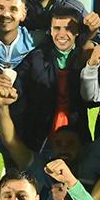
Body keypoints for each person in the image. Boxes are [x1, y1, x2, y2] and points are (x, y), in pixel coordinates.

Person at [11, 8, 92, 153]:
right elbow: (18, 90)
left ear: (77, 31)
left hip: (76, 132)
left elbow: (93, 99)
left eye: (68, 28)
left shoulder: (86, 57)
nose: (62, 34)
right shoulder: (36, 58)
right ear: (50, 30)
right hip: (40, 135)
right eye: (57, 28)